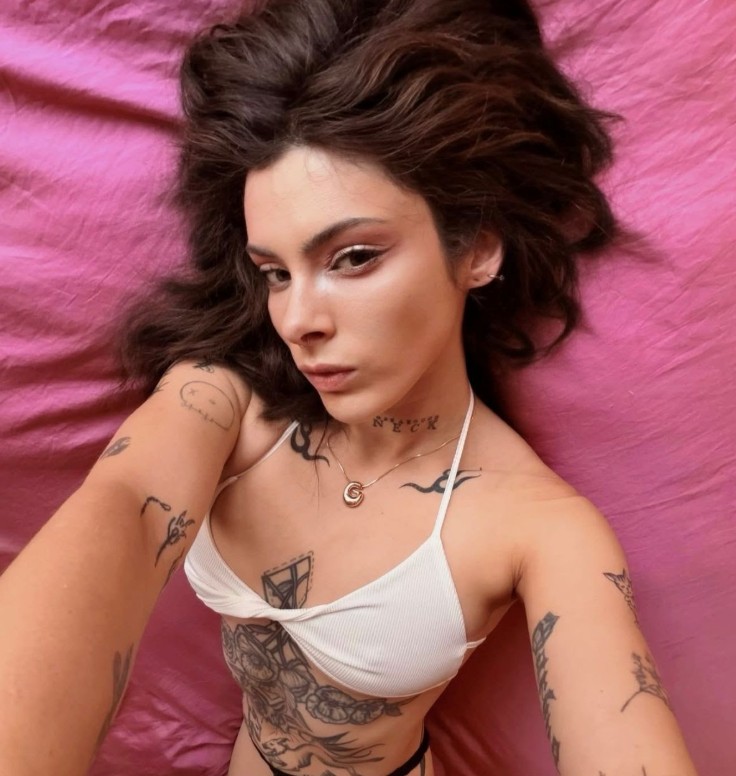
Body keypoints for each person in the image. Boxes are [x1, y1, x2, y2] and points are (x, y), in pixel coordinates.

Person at [0, 1, 700, 775]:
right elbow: (125, 509)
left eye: (354, 257)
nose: (298, 320)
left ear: (476, 249)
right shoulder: (222, 405)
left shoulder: (539, 525)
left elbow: (617, 720)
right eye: (275, 272)